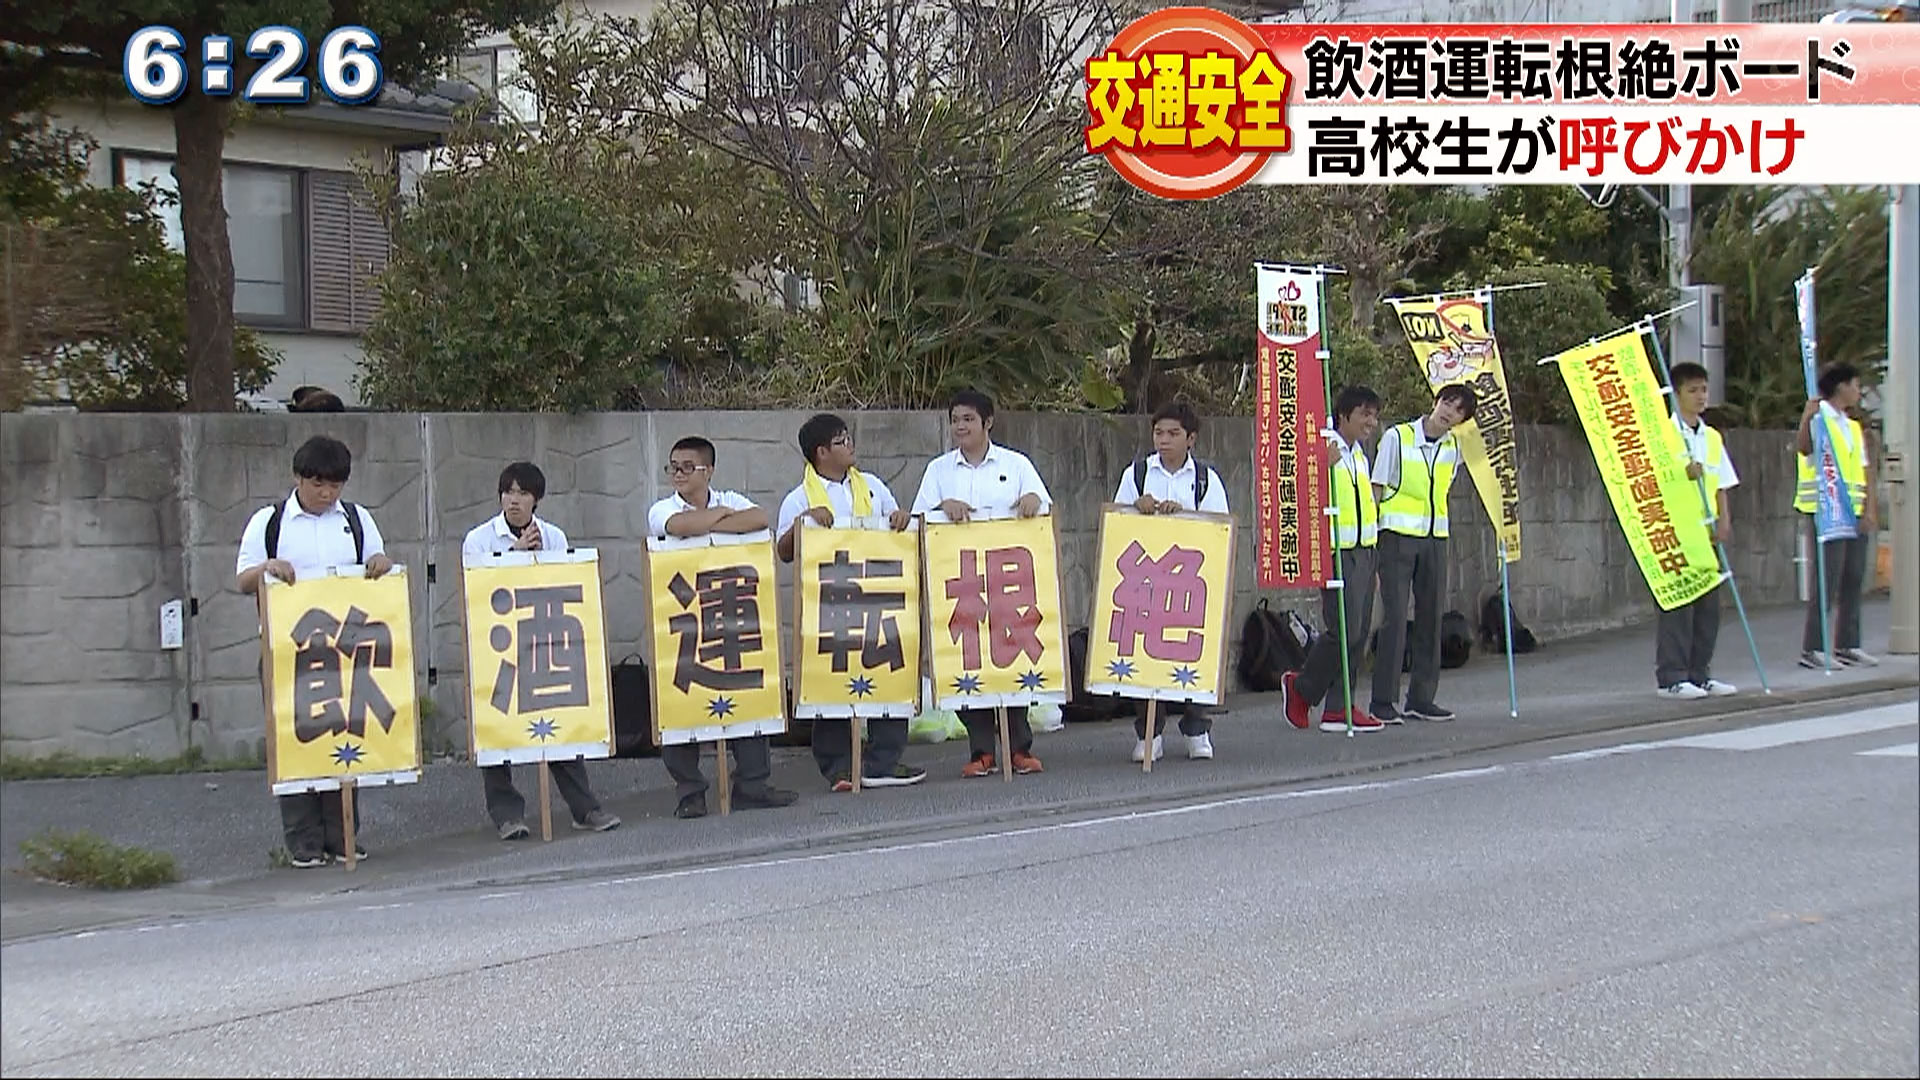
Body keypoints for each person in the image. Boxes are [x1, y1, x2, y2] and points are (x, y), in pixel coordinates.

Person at [234, 435, 394, 868]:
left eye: (336, 486)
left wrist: (379, 563)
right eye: (319, 485)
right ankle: (302, 842)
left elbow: (377, 564)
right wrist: (267, 568)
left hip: (345, 651)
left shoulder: (357, 520)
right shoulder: (269, 522)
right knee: (294, 740)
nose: (327, 494)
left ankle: (343, 836)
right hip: (289, 652)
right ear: (298, 478)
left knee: (345, 738)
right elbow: (243, 580)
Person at [461, 461, 622, 839]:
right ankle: (507, 815)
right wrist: (515, 555)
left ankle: (585, 808)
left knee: (558, 726)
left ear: (537, 499)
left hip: (541, 644)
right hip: (498, 649)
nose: (514, 501)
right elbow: (479, 590)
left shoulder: (553, 535)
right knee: (498, 732)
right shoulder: (480, 538)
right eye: (508, 492)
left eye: (522, 493)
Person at [646, 436, 800, 818]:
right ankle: (690, 791)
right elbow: (678, 525)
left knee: (749, 692)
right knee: (681, 698)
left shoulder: (732, 496)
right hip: (686, 617)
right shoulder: (661, 506)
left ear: (708, 471)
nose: (678, 474)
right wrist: (719, 520)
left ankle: (752, 784)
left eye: (687, 467)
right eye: (673, 467)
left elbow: (760, 518)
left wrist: (708, 519)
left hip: (731, 614)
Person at [775, 414, 927, 792]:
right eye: (841, 441)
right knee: (831, 680)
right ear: (821, 452)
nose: (850, 445)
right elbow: (784, 552)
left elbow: (897, 524)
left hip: (878, 601)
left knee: (888, 676)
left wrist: (900, 519)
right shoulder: (799, 498)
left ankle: (882, 762)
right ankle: (839, 767)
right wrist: (803, 523)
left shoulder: (872, 486)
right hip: (831, 607)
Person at [910, 389, 1053, 778]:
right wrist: (943, 508)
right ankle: (981, 752)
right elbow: (917, 517)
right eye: (955, 419)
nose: (961, 426)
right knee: (967, 661)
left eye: (969, 419)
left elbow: (1044, 506)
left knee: (1013, 660)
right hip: (963, 585)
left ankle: (1020, 748)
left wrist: (1031, 501)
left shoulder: (1016, 463)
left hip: (1009, 585)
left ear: (988, 422)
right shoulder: (939, 471)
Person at [1111, 401, 1229, 763]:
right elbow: (1117, 520)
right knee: (1144, 655)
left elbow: (1220, 524)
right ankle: (1150, 733)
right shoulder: (1138, 474)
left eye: (1173, 434)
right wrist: (1138, 507)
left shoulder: (1205, 478)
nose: (1164, 440)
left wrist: (1187, 515)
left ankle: (1197, 730)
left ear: (1191, 438)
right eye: (1159, 433)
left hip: (1190, 585)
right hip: (1147, 583)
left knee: (1195, 651)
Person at [1369, 383, 1477, 724]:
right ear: (1436, 401)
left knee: (1431, 617)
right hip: (1396, 536)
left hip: (1435, 538)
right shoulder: (1397, 437)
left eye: (1458, 410)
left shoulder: (1453, 447)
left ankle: (1421, 698)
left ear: (1461, 420)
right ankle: (1382, 701)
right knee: (1396, 619)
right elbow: (1377, 487)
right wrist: (1372, 538)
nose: (1449, 411)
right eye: (1447, 402)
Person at [1281, 386, 1385, 734]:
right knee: (1343, 629)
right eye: (1364, 414)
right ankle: (1302, 687)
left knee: (1359, 634)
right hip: (1336, 551)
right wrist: (1319, 467)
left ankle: (1340, 706)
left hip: (1365, 551)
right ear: (1344, 415)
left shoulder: (1359, 454)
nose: (1371, 422)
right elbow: (1296, 489)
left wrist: (1374, 561)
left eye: (1374, 415)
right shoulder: (1323, 447)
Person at [1655, 364, 1739, 699]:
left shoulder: (1712, 437)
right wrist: (1682, 473)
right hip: (1676, 534)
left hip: (1707, 534)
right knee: (1679, 607)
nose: (1701, 396)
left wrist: (1725, 520)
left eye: (1704, 389)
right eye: (1692, 390)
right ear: (1676, 395)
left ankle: (1700, 672)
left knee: (1708, 608)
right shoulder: (1663, 435)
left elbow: (1722, 483)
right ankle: (1672, 676)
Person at [1794, 363, 1879, 669]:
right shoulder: (1820, 418)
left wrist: (1869, 507)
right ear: (1840, 386)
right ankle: (1813, 648)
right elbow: (1803, 449)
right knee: (1827, 579)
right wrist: (1806, 416)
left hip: (1853, 509)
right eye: (1855, 385)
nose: (1858, 391)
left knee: (1853, 578)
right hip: (1827, 511)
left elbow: (1865, 469)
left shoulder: (1852, 425)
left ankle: (1848, 643)